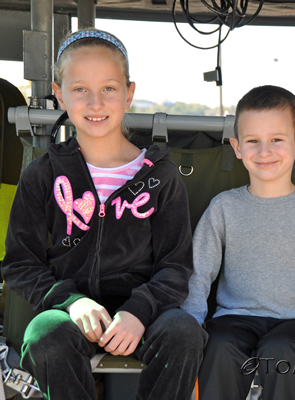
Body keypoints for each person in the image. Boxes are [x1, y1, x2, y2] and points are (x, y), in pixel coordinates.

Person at [1, 28, 206, 400]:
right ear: (59, 93)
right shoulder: (43, 174)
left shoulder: (160, 175)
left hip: (146, 314)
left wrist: (140, 310)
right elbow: (20, 264)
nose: (95, 103)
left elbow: (175, 267)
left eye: (109, 88)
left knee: (183, 331)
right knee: (44, 335)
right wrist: (71, 302)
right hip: (69, 312)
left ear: (128, 93)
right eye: (80, 89)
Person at [181, 85, 295, 400]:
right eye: (253, 141)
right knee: (218, 349)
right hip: (233, 320)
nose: (264, 151)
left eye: (277, 140)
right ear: (237, 147)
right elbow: (198, 273)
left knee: (282, 353)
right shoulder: (224, 207)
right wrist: (191, 325)